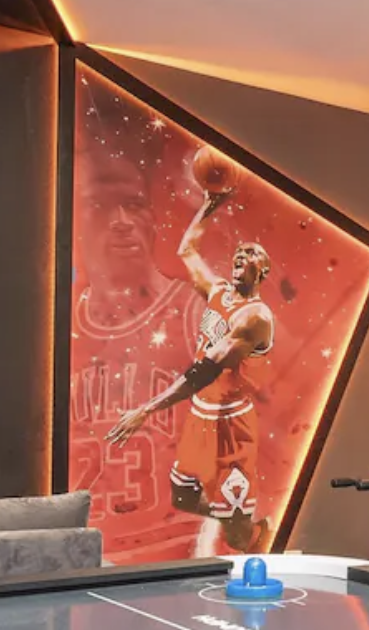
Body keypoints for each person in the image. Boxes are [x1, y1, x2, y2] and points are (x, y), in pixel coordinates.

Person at [107, 180, 275, 554]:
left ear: (263, 271)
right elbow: (187, 250)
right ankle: (232, 516)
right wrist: (209, 205)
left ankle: (252, 537)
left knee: (236, 537)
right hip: (201, 415)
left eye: (250, 255)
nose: (241, 256)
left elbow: (205, 370)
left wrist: (146, 409)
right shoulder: (218, 291)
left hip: (231, 425)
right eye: (238, 253)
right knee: (182, 496)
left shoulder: (255, 318)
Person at [70, 146, 204, 559]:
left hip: (175, 547)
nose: (122, 221)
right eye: (101, 205)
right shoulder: (61, 323)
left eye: (134, 204)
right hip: (89, 552)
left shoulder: (191, 311)